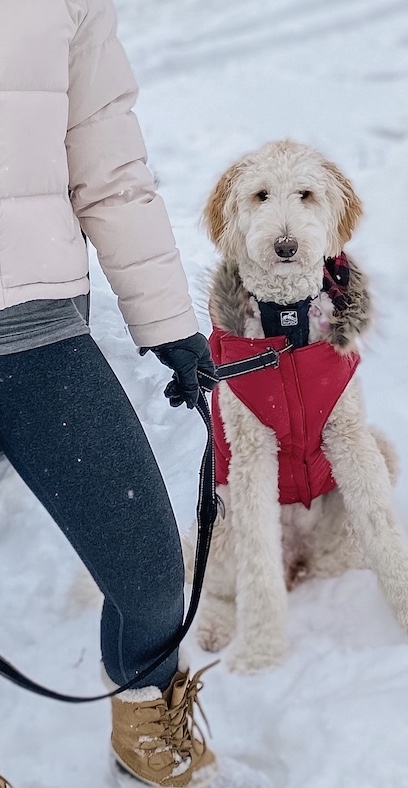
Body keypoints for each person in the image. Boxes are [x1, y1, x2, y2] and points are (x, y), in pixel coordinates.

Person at [0, 0, 219, 785]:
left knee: (152, 573)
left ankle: (143, 713)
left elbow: (109, 165)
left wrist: (166, 320)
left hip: (40, 334)